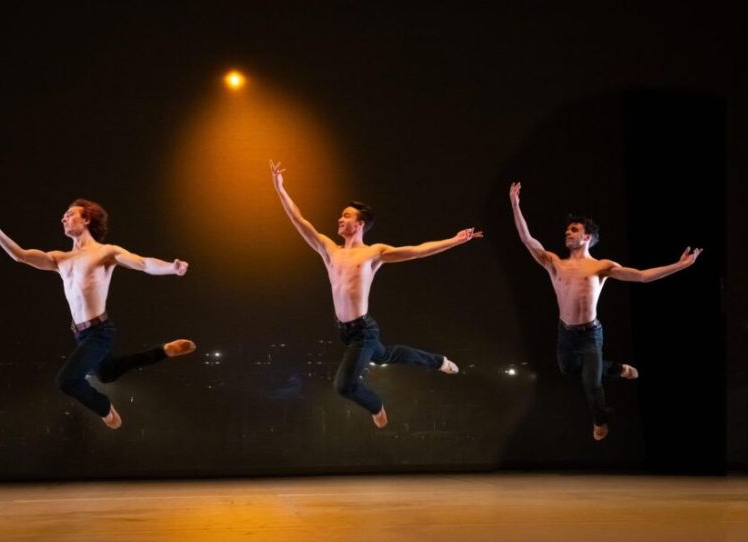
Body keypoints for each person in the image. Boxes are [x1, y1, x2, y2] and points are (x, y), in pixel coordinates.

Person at [271, 161, 482, 428]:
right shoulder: (329, 249)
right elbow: (299, 220)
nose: (340, 219)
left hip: (363, 332)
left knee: (343, 385)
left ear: (360, 224)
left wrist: (455, 240)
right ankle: (438, 361)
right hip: (344, 331)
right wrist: (280, 189)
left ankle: (376, 406)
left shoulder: (374, 253)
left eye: (346, 216)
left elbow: (417, 251)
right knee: (384, 355)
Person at [0, 197, 196, 429]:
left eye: (69, 214)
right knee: (107, 374)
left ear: (87, 219)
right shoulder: (59, 259)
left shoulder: (105, 252)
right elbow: (21, 255)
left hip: (100, 332)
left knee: (66, 381)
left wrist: (172, 267)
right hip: (81, 334)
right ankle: (163, 351)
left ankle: (105, 408)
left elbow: (143, 263)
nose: (63, 218)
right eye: (63, 216)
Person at [508, 182, 702, 440]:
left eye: (574, 229)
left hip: (590, 335)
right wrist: (515, 204)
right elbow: (527, 239)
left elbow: (642, 276)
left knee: (591, 382)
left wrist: (679, 265)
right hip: (565, 333)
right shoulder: (554, 263)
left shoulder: (601, 267)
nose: (567, 232)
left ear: (587, 237)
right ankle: (617, 369)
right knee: (568, 369)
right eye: (567, 229)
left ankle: (600, 420)